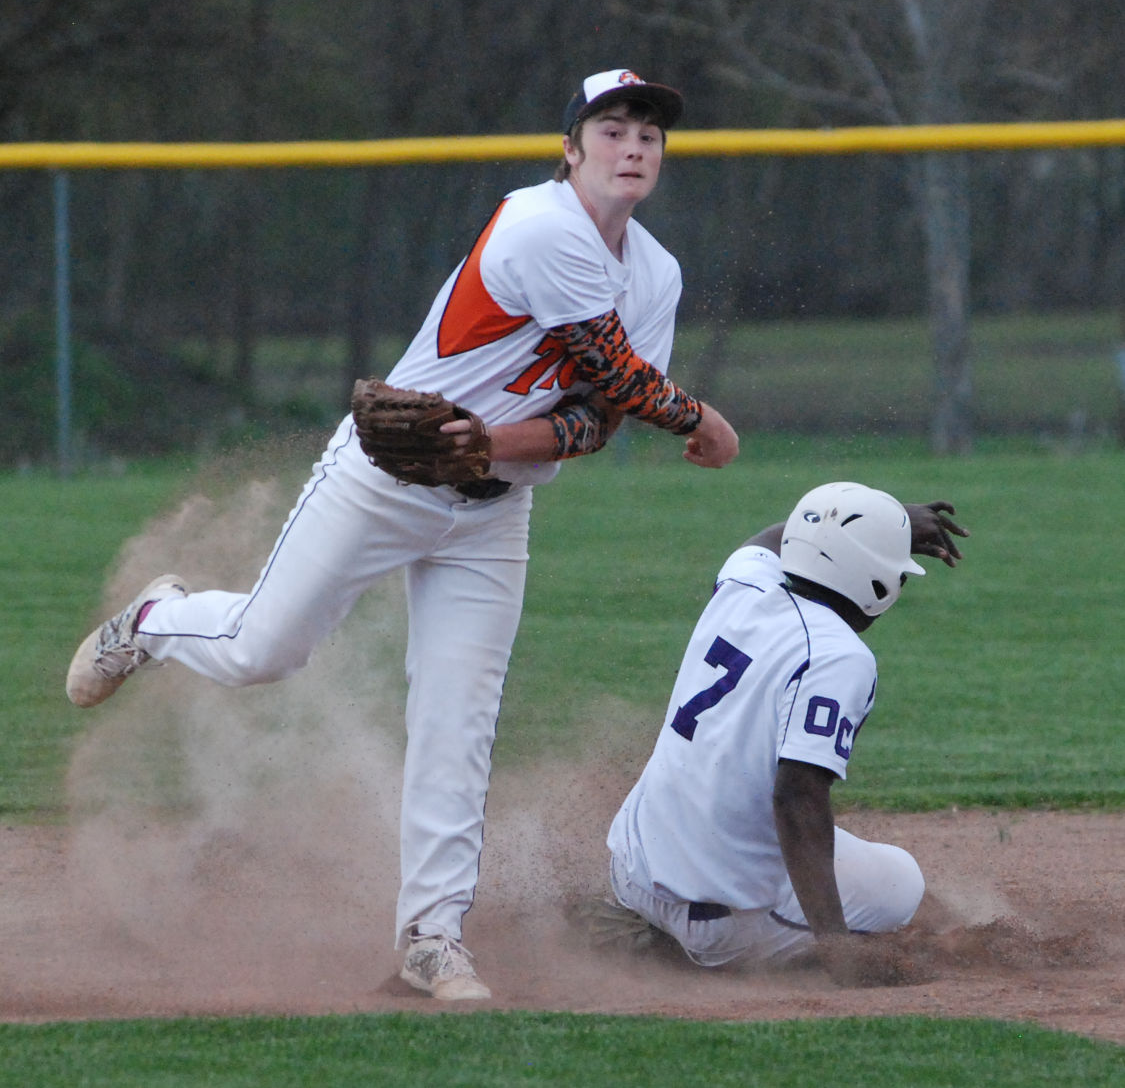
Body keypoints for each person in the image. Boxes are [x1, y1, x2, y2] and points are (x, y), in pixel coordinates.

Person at [66, 68, 740, 1001]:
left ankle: (431, 937)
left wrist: (488, 444)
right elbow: (618, 371)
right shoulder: (538, 224)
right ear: (570, 148)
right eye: (612, 128)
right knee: (265, 649)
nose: (633, 146)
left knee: (455, 724)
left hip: (493, 509)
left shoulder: (655, 273)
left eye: (650, 135)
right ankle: (154, 618)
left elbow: (596, 419)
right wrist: (700, 419)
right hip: (381, 482)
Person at [604, 481, 968, 987]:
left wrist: (885, 519)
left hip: (631, 871)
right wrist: (836, 947)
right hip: (721, 918)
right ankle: (683, 951)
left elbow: (775, 538)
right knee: (900, 884)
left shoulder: (745, 587)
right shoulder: (838, 656)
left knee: (822, 844)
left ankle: (643, 920)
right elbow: (797, 798)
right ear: (877, 582)